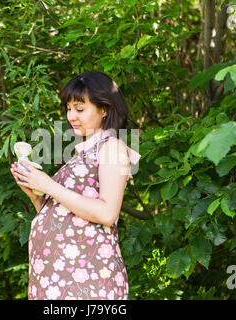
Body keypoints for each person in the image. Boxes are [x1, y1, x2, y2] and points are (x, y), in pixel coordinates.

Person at [10, 71, 141, 300]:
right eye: (69, 108)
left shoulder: (111, 148)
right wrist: (36, 196)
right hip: (57, 282)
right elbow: (68, 215)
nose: (71, 116)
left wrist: (49, 185)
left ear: (104, 109)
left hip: (88, 281)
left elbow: (107, 213)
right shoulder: (81, 155)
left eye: (80, 109)